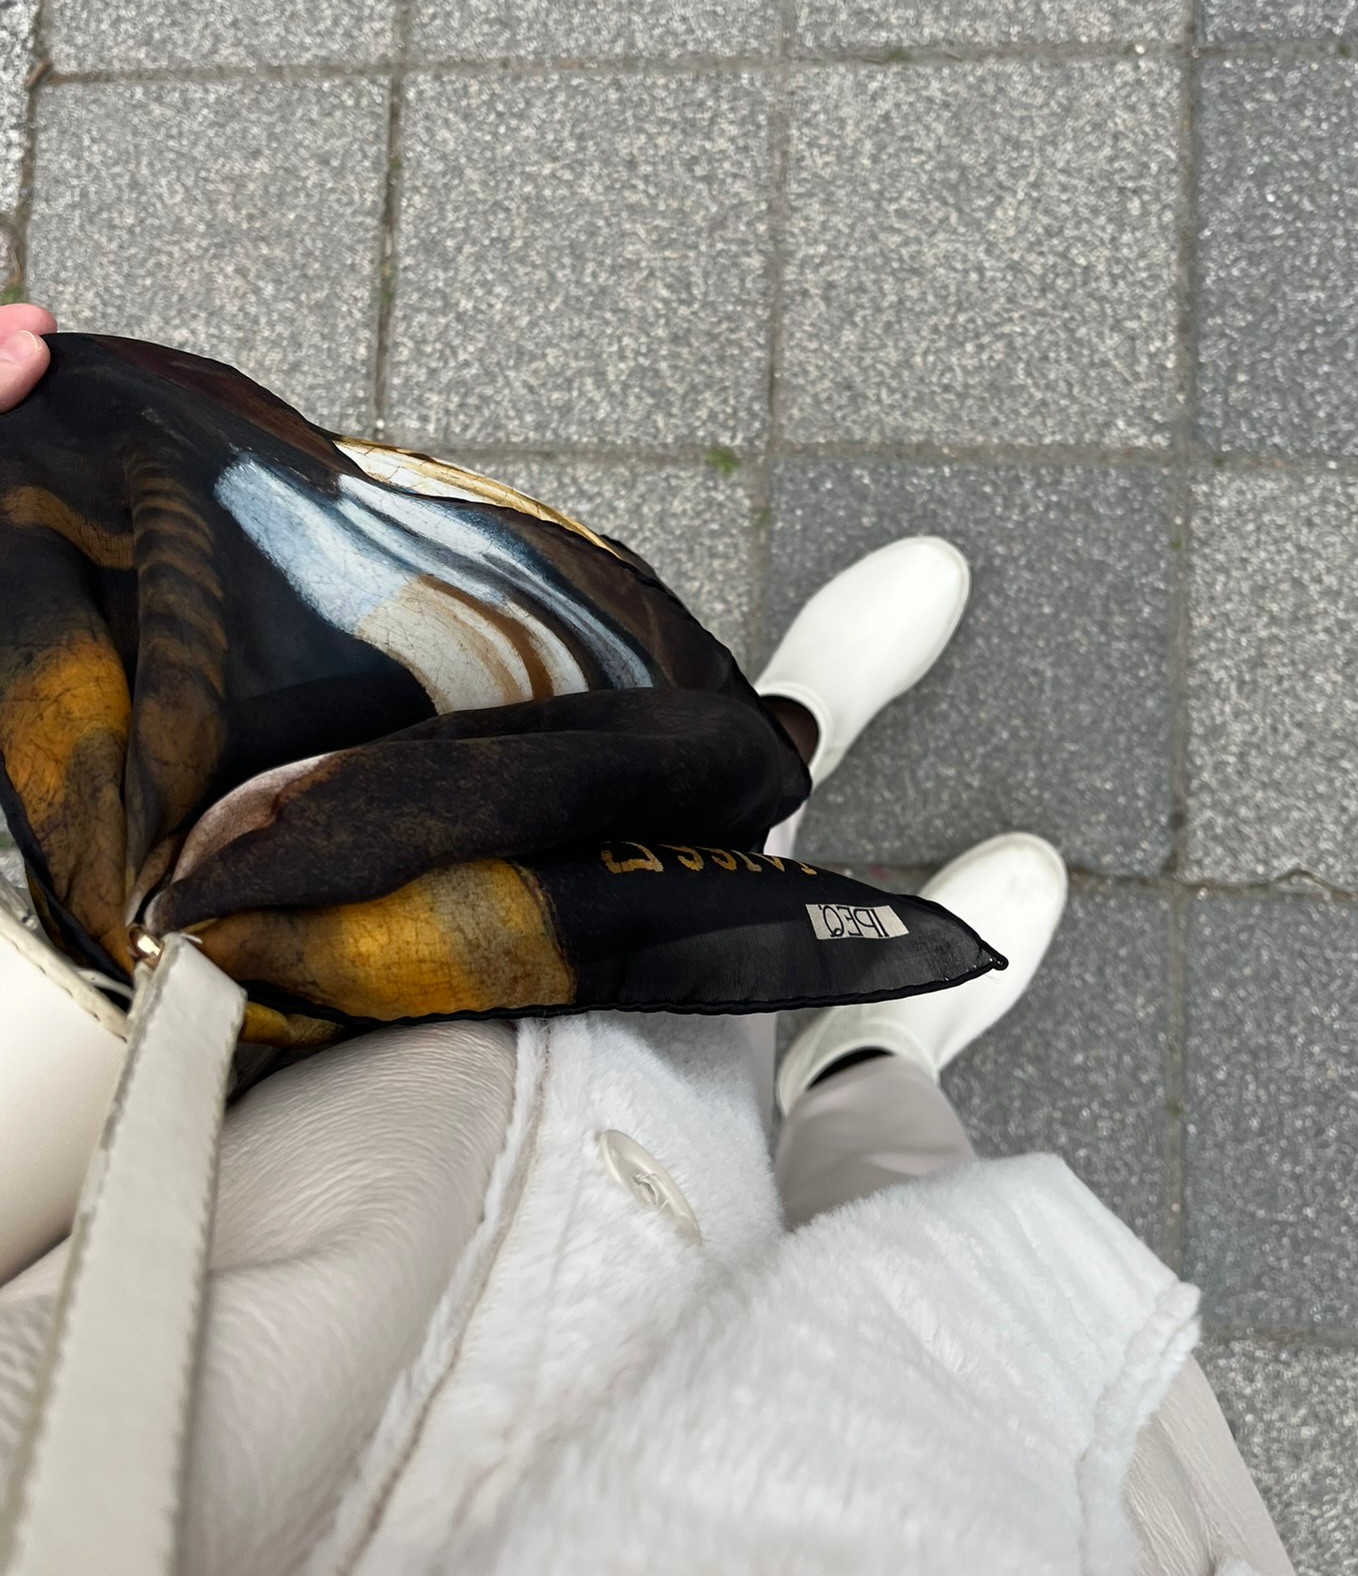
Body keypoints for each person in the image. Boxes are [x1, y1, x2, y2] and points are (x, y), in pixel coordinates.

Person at [0, 300, 1292, 1576]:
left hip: (311, 1239)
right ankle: (865, 1053)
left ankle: (769, 773)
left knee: (583, 918)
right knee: (917, 1205)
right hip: (972, 1495)